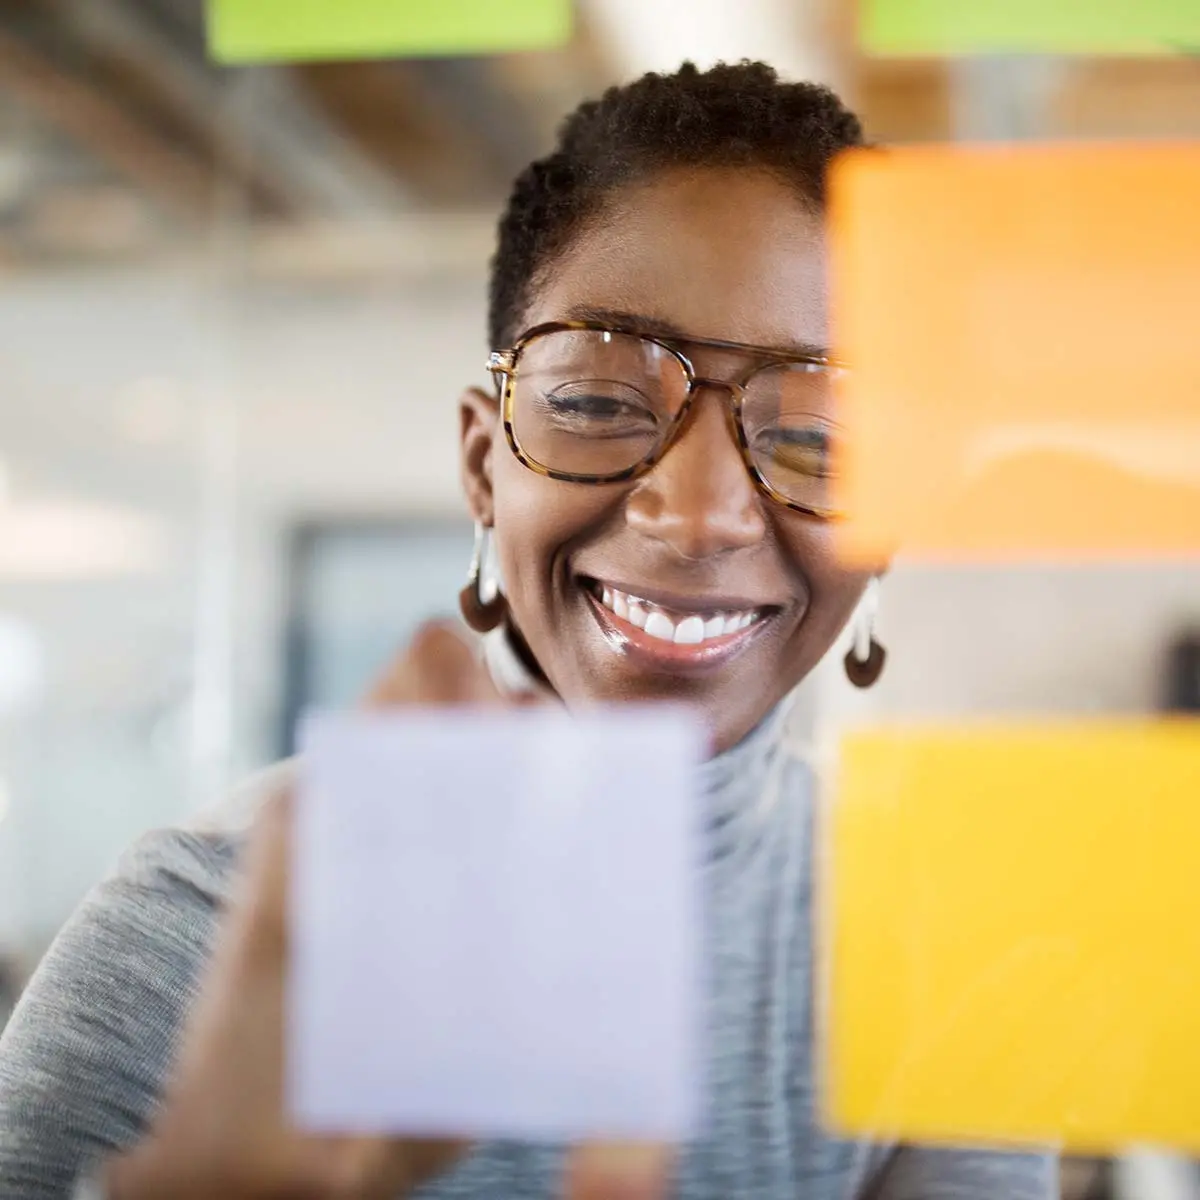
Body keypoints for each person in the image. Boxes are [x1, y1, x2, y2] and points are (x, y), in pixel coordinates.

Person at [0, 62, 1056, 1199]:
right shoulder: (204, 934)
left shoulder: (952, 948)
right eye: (600, 400)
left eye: (816, 438)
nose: (699, 515)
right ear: (482, 467)